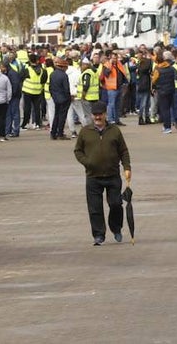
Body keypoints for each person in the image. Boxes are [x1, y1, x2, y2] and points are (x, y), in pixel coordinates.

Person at [73, 100, 132, 246]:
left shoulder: (115, 131)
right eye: (95, 115)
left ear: (105, 114)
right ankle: (98, 235)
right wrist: (87, 162)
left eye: (100, 115)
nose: (97, 117)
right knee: (95, 208)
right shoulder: (85, 131)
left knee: (116, 204)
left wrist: (127, 167)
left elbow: (123, 151)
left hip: (112, 175)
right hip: (93, 176)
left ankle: (116, 228)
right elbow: (77, 151)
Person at [21, 54, 47, 131]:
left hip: (27, 91)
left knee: (27, 108)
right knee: (37, 109)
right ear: (37, 61)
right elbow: (44, 80)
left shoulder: (27, 69)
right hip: (38, 91)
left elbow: (21, 78)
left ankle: (25, 124)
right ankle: (37, 124)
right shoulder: (43, 71)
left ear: (29, 60)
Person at [153, 51, 177, 134]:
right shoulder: (171, 67)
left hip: (162, 90)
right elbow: (175, 76)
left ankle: (167, 127)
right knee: (169, 108)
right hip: (171, 89)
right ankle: (167, 125)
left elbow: (154, 80)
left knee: (164, 109)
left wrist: (154, 87)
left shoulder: (157, 69)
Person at [49, 58, 73, 140]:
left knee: (56, 115)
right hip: (64, 99)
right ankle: (60, 133)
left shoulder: (52, 74)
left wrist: (54, 96)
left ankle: (53, 133)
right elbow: (66, 89)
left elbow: (50, 87)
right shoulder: (64, 75)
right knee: (62, 117)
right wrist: (69, 98)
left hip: (56, 98)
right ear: (63, 67)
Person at [134, 48, 154, 125]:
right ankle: (141, 117)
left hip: (145, 83)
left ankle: (146, 117)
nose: (138, 55)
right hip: (142, 84)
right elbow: (143, 70)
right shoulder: (139, 62)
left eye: (140, 54)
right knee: (143, 102)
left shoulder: (145, 61)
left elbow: (146, 69)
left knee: (146, 102)